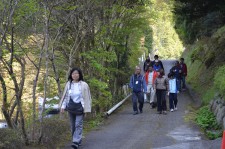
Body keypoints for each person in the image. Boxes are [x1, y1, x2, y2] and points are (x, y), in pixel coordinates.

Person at [60, 67, 92, 149]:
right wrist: (63, 106)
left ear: (79, 74)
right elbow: (65, 96)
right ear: (71, 75)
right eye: (73, 73)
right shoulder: (68, 84)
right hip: (71, 108)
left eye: (76, 73)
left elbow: (88, 97)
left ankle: (75, 141)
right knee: (73, 125)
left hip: (80, 108)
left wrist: (86, 109)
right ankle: (78, 139)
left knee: (78, 124)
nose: (75, 75)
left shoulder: (84, 85)